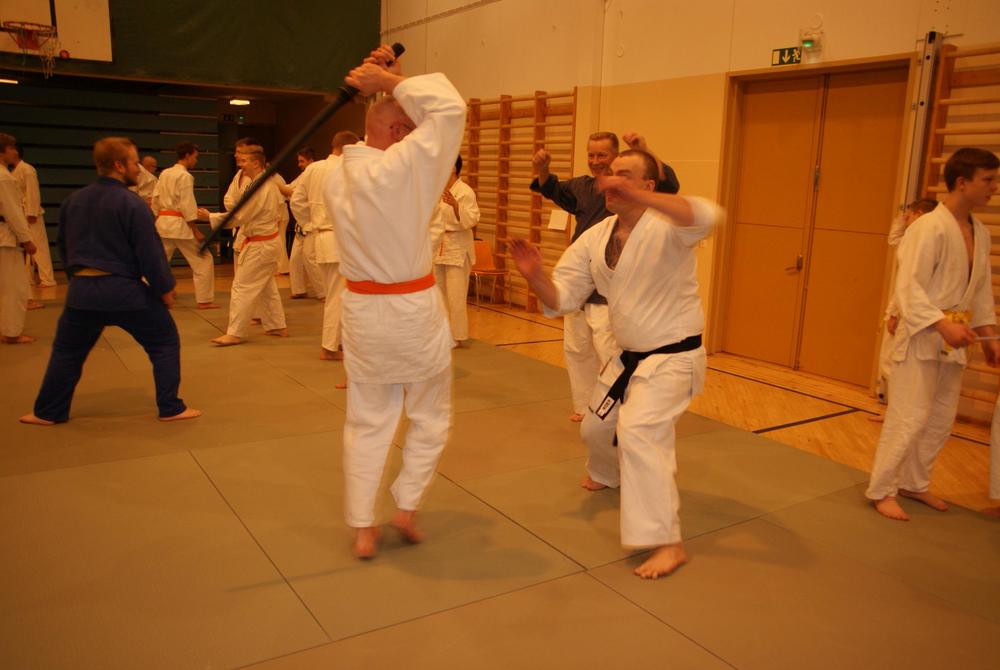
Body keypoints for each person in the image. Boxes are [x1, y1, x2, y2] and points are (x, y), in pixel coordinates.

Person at [511, 149, 720, 579]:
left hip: (673, 357)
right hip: (628, 357)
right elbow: (562, 298)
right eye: (610, 174)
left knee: (640, 432)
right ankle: (608, 475)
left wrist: (642, 196)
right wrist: (535, 277)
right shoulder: (596, 236)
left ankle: (667, 543)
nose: (611, 181)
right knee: (595, 428)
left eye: (625, 175)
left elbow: (707, 214)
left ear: (649, 186)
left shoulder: (669, 226)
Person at [323, 45, 466, 558]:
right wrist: (387, 82)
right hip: (411, 312)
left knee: (367, 420)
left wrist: (390, 82)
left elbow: (413, 119)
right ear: (403, 133)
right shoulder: (405, 167)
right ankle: (406, 507)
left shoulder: (334, 174)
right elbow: (449, 109)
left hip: (363, 312)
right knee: (430, 413)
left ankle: (364, 525)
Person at [19, 137, 200, 425]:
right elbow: (149, 253)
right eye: (134, 162)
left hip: (82, 292)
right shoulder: (132, 204)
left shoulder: (73, 201)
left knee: (67, 351)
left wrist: (78, 281)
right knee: (164, 340)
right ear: (119, 165)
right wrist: (164, 289)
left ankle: (47, 412)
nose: (139, 169)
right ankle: (170, 407)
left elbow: (64, 248)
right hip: (124, 291)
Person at [866, 148, 999, 521]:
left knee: (940, 419)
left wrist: (989, 335)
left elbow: (981, 292)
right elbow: (909, 287)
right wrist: (941, 324)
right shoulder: (927, 228)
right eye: (988, 180)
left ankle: (915, 482)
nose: (994, 187)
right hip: (923, 336)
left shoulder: (980, 232)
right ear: (962, 182)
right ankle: (882, 489)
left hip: (954, 340)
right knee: (908, 416)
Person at [531, 131, 679, 422]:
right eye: (591, 155)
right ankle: (584, 405)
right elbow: (551, 188)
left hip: (612, 285)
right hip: (581, 279)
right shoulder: (583, 187)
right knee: (576, 348)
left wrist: (645, 150)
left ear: (615, 156)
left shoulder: (629, 188)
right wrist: (543, 168)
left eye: (602, 155)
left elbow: (669, 186)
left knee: (610, 352)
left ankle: (619, 409)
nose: (596, 161)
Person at [290, 131, 359, 360]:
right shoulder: (348, 169)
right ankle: (330, 347)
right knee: (339, 295)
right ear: (349, 148)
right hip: (341, 238)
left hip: (320, 237)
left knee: (334, 293)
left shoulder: (314, 168)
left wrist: (309, 224)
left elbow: (297, 201)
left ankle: (338, 342)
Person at [209, 146, 288, 346]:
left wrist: (209, 216)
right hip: (265, 242)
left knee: (242, 287)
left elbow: (240, 217)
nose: (240, 164)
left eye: (244, 161)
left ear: (256, 163)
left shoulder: (261, 187)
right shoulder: (260, 183)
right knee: (266, 287)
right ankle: (277, 325)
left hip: (261, 244)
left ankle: (235, 333)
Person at [873, 198, 939, 408]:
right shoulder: (915, 239)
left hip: (908, 312)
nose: (906, 221)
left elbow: (908, 285)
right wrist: (902, 217)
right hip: (912, 311)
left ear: (920, 215)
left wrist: (894, 314)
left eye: (909, 217)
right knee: (893, 362)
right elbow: (894, 239)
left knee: (891, 361)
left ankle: (895, 409)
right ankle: (893, 408)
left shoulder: (923, 242)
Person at [152, 141, 218, 309]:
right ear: (187, 156)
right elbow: (186, 204)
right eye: (195, 157)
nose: (196, 160)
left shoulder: (165, 173)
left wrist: (156, 220)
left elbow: (156, 198)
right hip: (179, 224)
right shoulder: (185, 176)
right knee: (203, 259)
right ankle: (204, 300)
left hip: (162, 223)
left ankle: (150, 295)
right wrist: (195, 229)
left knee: (158, 262)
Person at [430, 155, 480, 347]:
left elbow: (472, 219)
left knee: (456, 295)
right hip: (440, 246)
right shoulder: (439, 190)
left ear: (453, 168)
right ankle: (442, 333)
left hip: (458, 247)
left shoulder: (465, 191)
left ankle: (457, 336)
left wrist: (456, 206)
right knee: (439, 293)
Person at [0, 132, 38, 344]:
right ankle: (12, 333)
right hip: (6, 238)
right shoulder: (4, 177)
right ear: (2, 152)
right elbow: (13, 212)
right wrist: (27, 239)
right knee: (14, 288)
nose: (15, 152)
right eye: (11, 148)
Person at [10, 146, 55, 287]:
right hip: (21, 212)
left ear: (15, 153)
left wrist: (32, 212)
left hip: (31, 213)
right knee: (28, 248)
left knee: (39, 246)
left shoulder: (27, 169)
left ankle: (48, 279)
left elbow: (33, 191)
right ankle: (29, 278)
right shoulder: (14, 171)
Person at [287, 146, 325, 300]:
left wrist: (272, 182)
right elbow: (290, 189)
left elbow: (292, 193)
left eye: (302, 161)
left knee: (310, 258)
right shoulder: (303, 175)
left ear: (311, 160)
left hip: (312, 222)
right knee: (295, 259)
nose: (299, 164)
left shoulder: (317, 173)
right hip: (301, 224)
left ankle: (323, 292)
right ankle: (299, 290)